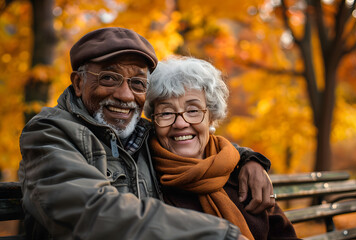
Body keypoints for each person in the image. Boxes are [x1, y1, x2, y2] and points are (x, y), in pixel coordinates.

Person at [19, 27, 273, 240]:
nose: (125, 95)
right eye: (109, 78)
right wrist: (217, 235)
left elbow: (194, 136)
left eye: (138, 83)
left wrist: (249, 160)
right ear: (78, 83)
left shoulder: (141, 133)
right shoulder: (49, 133)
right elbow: (91, 212)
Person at [144, 56, 299, 240]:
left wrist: (251, 160)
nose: (180, 123)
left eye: (193, 110)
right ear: (154, 121)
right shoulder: (146, 181)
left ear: (211, 117)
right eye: (167, 113)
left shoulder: (243, 173)